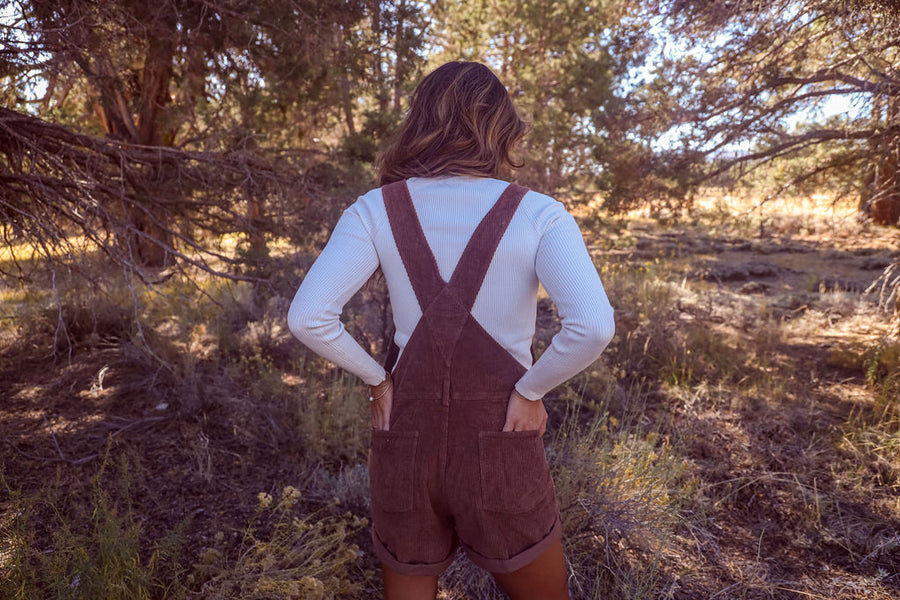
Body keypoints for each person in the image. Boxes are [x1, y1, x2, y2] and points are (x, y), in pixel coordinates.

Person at [288, 61, 614, 600]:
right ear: (500, 126)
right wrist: (532, 392)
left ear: (420, 122)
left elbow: (308, 317)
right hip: (502, 434)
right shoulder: (540, 214)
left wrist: (378, 381)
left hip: (404, 434)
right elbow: (593, 326)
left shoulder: (374, 209)